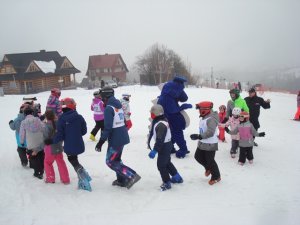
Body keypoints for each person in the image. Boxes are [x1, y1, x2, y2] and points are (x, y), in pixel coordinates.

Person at [95, 87, 141, 189]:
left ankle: (131, 175)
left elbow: (107, 128)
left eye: (102, 97)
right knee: (117, 160)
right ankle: (121, 179)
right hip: (122, 136)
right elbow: (123, 121)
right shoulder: (118, 105)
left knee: (110, 161)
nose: (101, 99)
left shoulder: (108, 108)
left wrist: (101, 142)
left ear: (105, 96)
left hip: (116, 139)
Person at [45, 97, 92, 191]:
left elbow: (60, 136)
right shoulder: (79, 117)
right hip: (79, 144)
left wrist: (51, 141)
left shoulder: (61, 119)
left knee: (74, 162)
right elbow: (84, 131)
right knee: (75, 160)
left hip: (69, 146)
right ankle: (85, 176)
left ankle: (84, 181)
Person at [148, 104, 183, 191]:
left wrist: (155, 150)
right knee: (167, 163)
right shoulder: (162, 119)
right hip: (167, 144)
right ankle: (177, 177)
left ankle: (166, 183)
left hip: (164, 146)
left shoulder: (161, 124)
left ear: (155, 114)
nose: (151, 114)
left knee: (161, 165)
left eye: (152, 113)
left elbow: (160, 139)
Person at [157, 75, 193, 158]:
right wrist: (182, 107)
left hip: (166, 116)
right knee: (177, 132)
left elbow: (183, 98)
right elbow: (172, 109)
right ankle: (183, 149)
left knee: (171, 132)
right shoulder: (173, 90)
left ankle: (170, 148)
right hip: (171, 116)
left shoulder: (168, 89)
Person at [190, 101, 221, 185]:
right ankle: (208, 168)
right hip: (203, 142)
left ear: (205, 110)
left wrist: (198, 136)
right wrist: (199, 137)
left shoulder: (211, 119)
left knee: (210, 161)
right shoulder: (204, 117)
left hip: (210, 144)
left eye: (199, 109)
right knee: (198, 157)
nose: (198, 111)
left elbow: (210, 132)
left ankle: (216, 176)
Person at [43, 110, 70, 184]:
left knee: (47, 162)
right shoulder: (59, 124)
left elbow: (45, 138)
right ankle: (65, 179)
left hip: (50, 148)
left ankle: (50, 178)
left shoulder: (46, 126)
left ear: (46, 117)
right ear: (54, 116)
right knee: (61, 162)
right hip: (59, 146)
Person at [19, 106, 45, 179]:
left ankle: (37, 172)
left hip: (31, 142)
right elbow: (43, 127)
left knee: (34, 157)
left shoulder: (23, 122)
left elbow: (22, 133)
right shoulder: (37, 120)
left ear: (25, 114)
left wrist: (22, 141)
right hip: (39, 140)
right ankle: (42, 169)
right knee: (41, 155)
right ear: (32, 113)